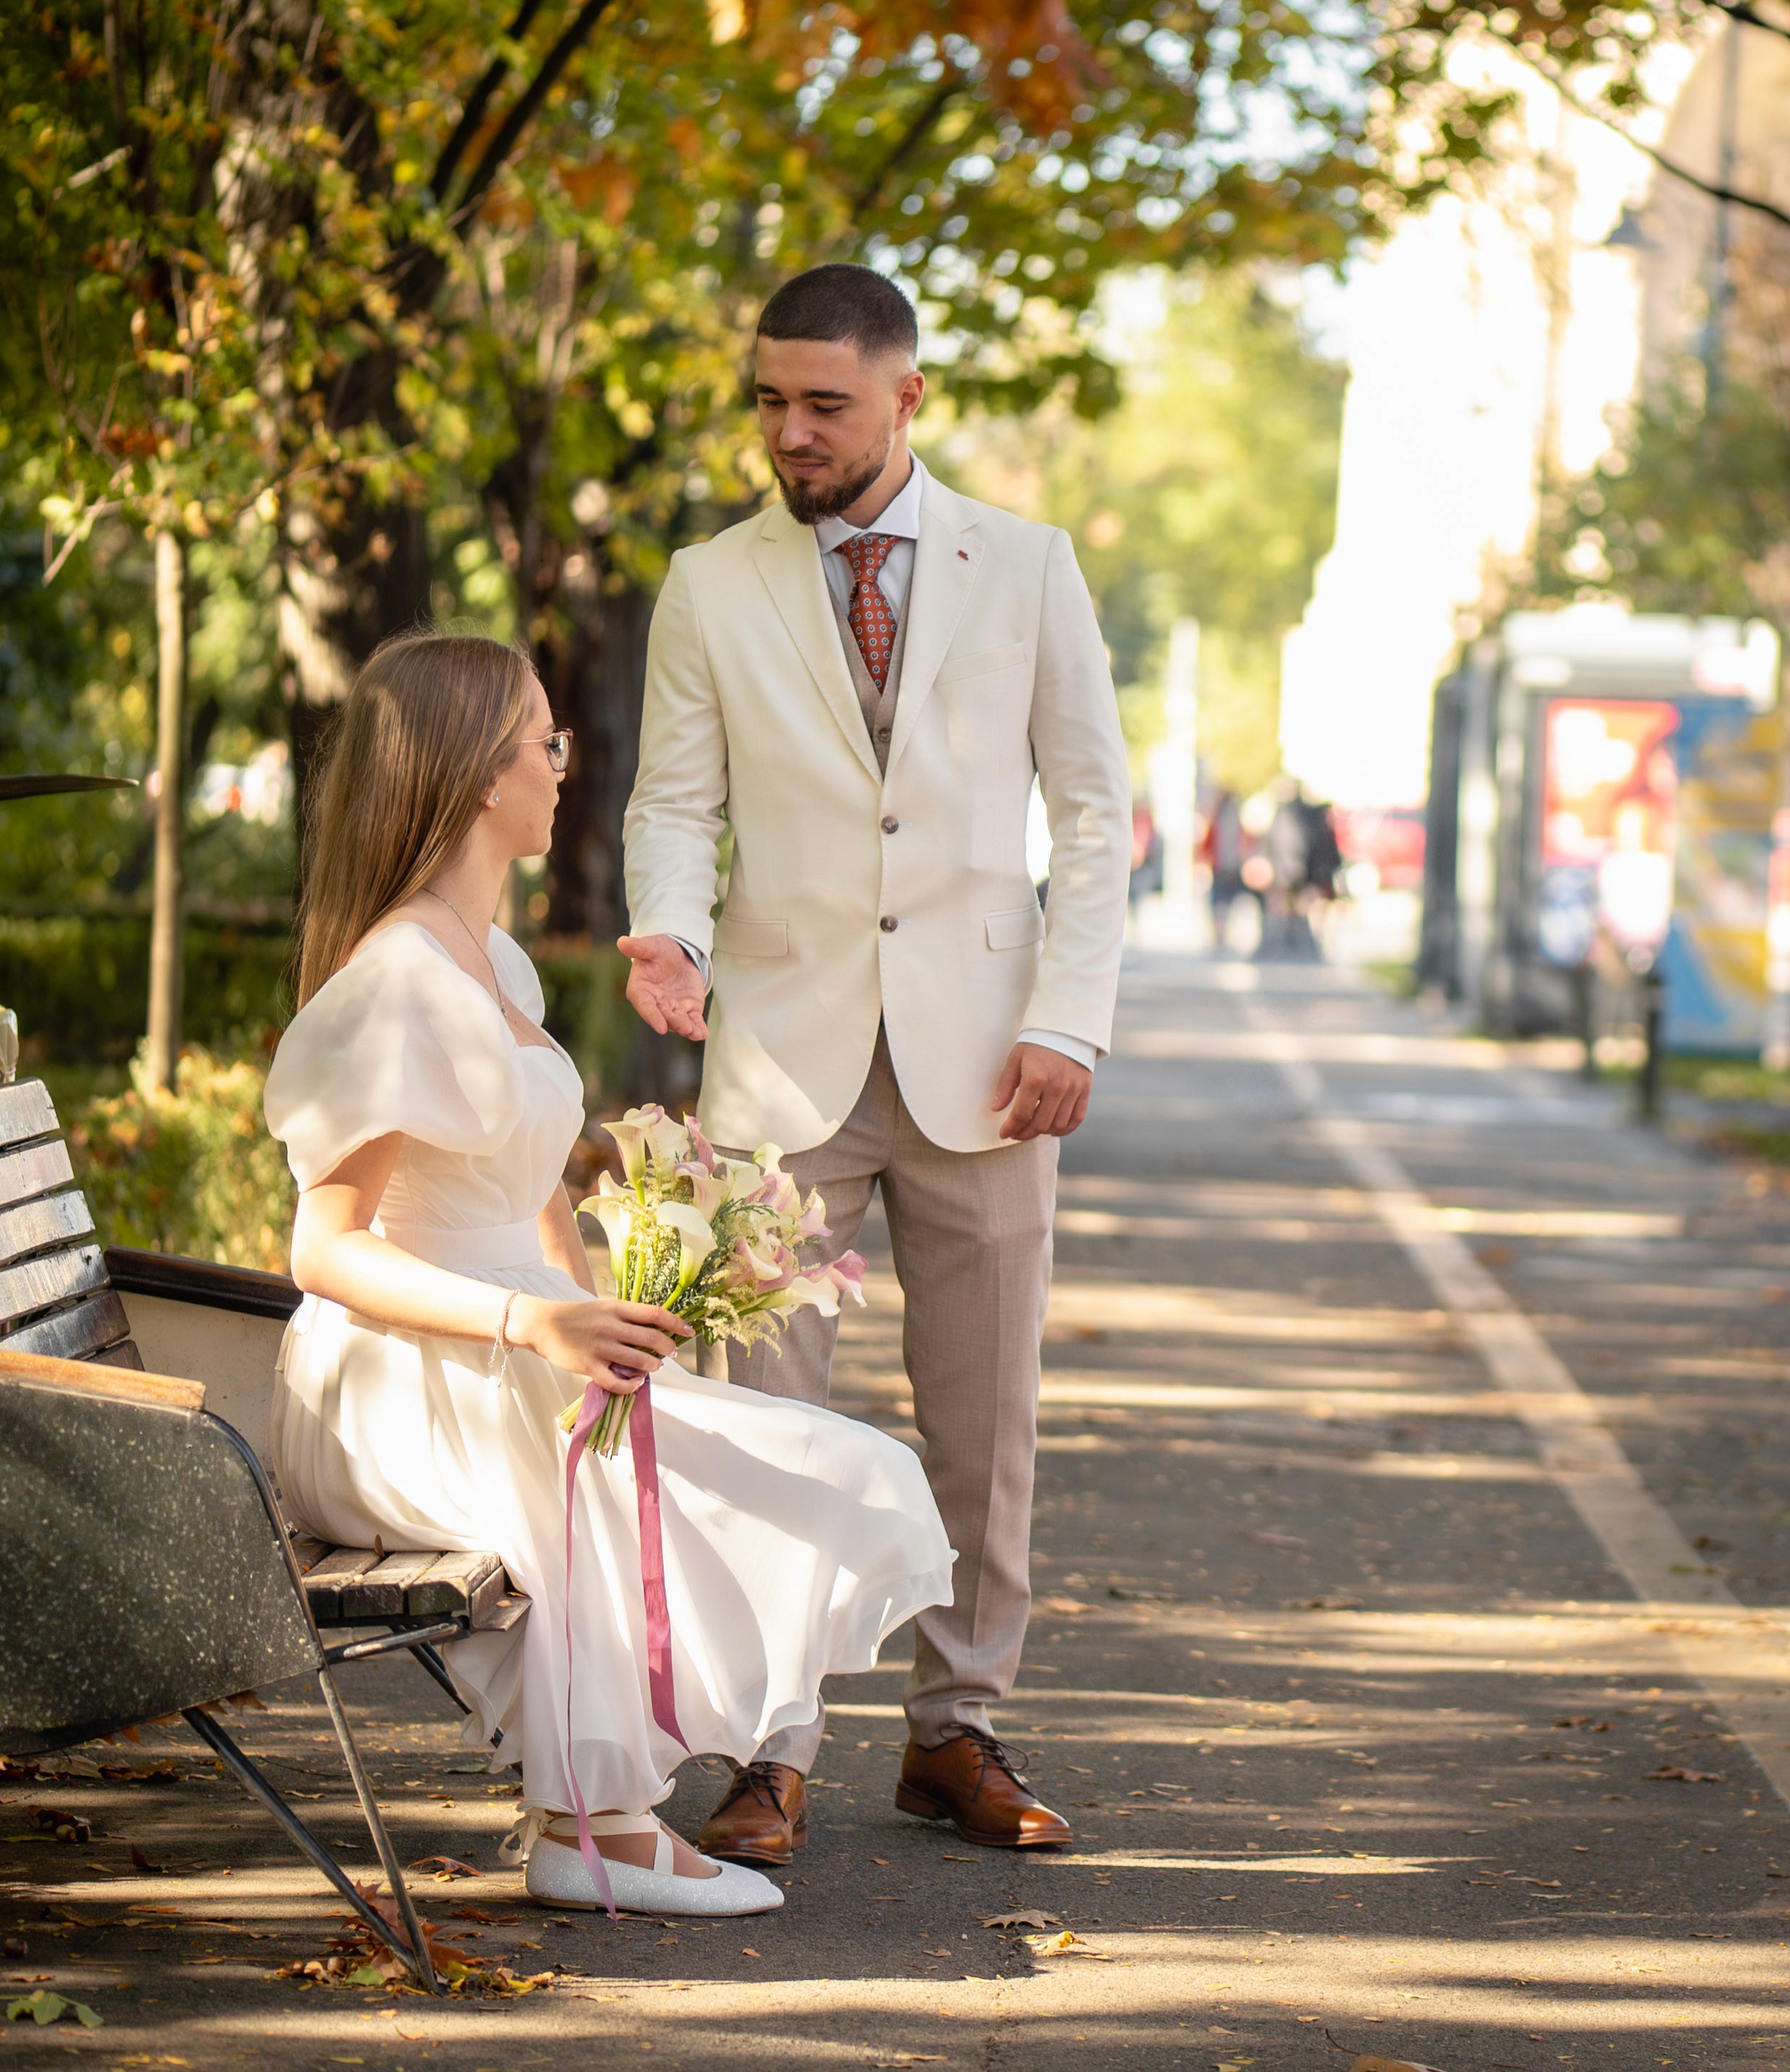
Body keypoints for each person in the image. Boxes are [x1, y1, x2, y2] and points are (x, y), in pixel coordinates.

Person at [263, 631, 953, 1919]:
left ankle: (607, 1808)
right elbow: (325, 1249)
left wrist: (623, 1327)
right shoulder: (395, 982)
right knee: (608, 1487)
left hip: (511, 1339)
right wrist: (535, 1322)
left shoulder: (499, 962)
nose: (562, 764)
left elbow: (539, 1194)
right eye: (544, 738)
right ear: (480, 775)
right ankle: (601, 1826)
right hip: (395, 1374)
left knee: (828, 1466)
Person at [618, 262, 1132, 1867]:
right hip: (779, 1059)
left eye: (823, 403)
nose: (790, 430)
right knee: (762, 1426)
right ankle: (765, 1747)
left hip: (990, 1062)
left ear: (907, 397)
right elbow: (673, 801)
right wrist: (667, 930)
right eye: (767, 400)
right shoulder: (710, 582)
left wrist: (1069, 1018)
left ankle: (955, 1728)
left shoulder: (1030, 567)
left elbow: (1098, 812)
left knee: (983, 1422)